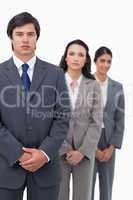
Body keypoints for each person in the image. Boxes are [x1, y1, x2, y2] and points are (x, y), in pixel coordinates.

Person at [0, 12, 70, 200]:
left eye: (30, 34)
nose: (25, 39)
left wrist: (44, 153)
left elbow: (63, 117)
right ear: (11, 37)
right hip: (6, 168)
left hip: (46, 169)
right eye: (19, 34)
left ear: (37, 38)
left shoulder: (55, 73)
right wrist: (17, 154)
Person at [58, 39, 103, 200]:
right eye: (72, 54)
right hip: (59, 151)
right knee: (59, 195)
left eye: (81, 54)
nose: (76, 58)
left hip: (85, 153)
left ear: (86, 60)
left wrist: (82, 151)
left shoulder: (94, 86)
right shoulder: (54, 82)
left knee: (83, 196)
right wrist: (65, 148)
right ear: (66, 58)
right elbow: (50, 119)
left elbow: (96, 122)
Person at [92, 47, 125, 200]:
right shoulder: (85, 83)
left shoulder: (117, 87)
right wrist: (92, 148)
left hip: (109, 139)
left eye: (109, 62)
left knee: (107, 188)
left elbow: (120, 119)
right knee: (87, 186)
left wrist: (112, 147)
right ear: (95, 61)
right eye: (102, 61)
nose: (105, 65)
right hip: (89, 139)